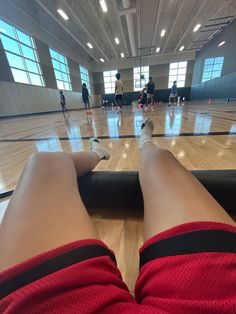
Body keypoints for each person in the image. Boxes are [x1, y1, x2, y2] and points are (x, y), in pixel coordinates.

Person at [0, 120, 236, 313]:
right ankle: (145, 142)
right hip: (219, 294)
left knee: (43, 162)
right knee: (160, 161)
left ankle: (97, 151)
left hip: (52, 302)